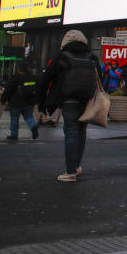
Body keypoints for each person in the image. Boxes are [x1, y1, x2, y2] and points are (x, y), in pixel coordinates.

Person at [38, 30, 99, 182]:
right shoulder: (92, 57)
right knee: (81, 132)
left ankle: (70, 171)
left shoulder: (61, 57)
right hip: (87, 101)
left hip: (68, 100)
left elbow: (45, 80)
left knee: (71, 132)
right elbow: (100, 79)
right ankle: (76, 166)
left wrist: (42, 101)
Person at [1, 66, 39, 141]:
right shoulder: (32, 77)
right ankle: (33, 127)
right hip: (29, 102)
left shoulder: (16, 78)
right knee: (29, 117)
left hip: (15, 102)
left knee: (14, 118)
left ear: (19, 70)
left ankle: (14, 135)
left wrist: (3, 99)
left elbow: (8, 89)